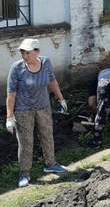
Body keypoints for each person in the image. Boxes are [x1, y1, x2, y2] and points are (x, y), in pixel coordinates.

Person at [5, 39, 68, 187]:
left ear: (37, 51)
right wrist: (9, 116)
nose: (24, 55)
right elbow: (11, 93)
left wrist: (61, 99)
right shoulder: (16, 68)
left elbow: (52, 81)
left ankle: (51, 164)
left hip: (43, 107)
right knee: (26, 142)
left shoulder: (46, 62)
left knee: (47, 136)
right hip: (23, 110)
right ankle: (24, 173)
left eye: (27, 52)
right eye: (22, 52)